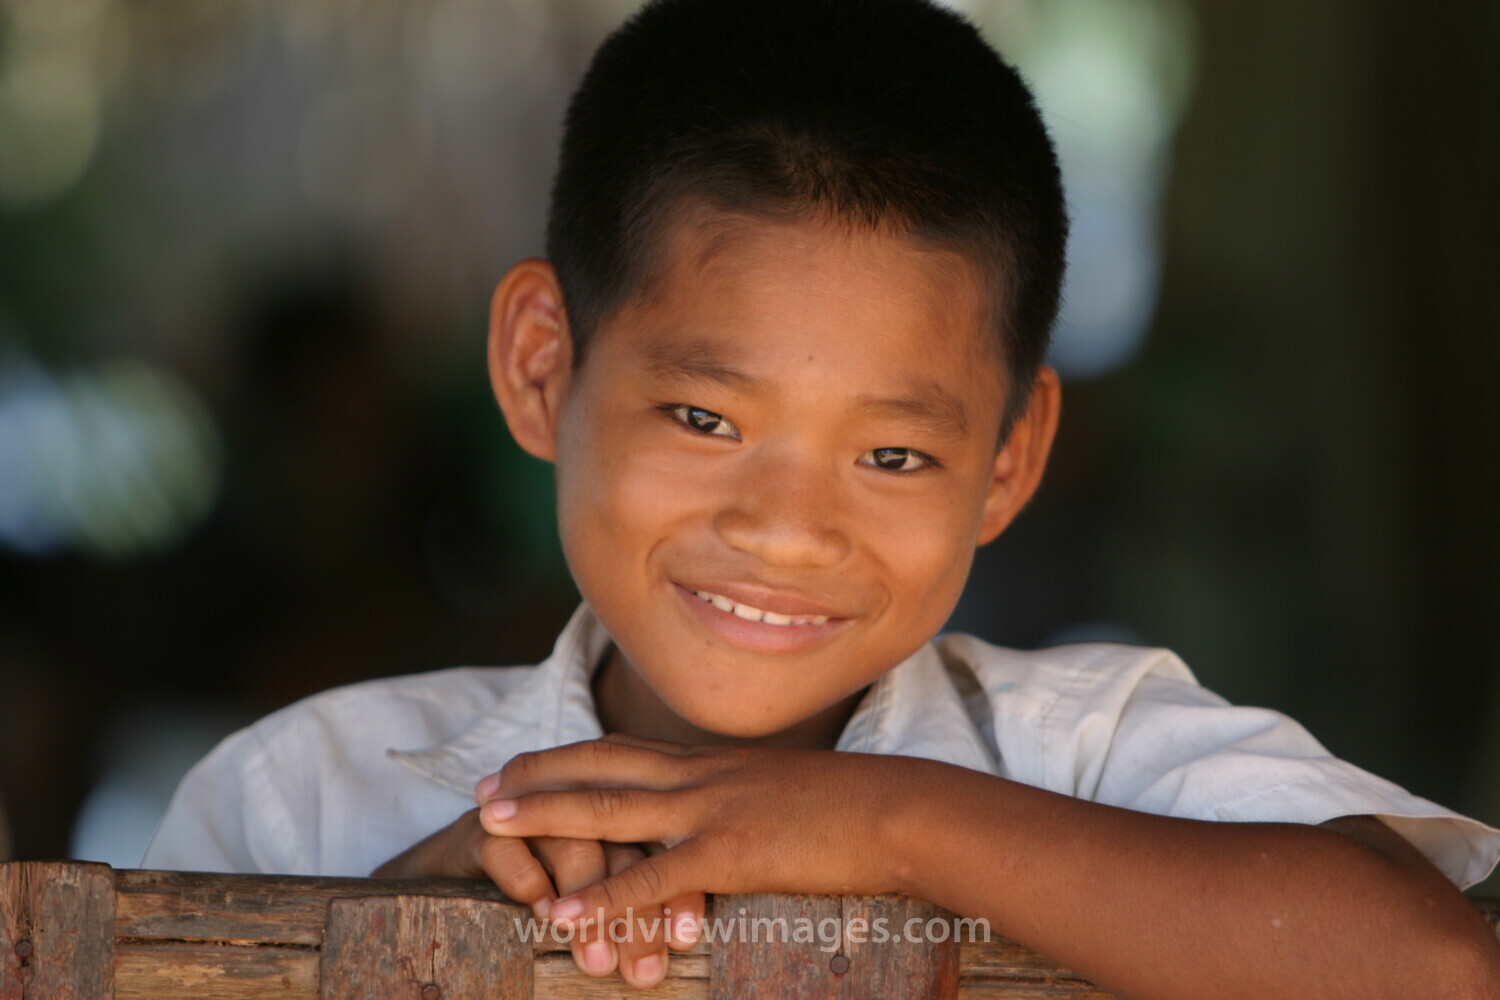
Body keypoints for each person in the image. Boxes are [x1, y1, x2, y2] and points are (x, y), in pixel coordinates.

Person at [142, 0, 1500, 995]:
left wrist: (880, 826)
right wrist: (373, 942)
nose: (788, 527)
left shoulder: (1089, 755)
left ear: (1010, 462)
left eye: (895, 456)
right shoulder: (313, 799)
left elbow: (1437, 966)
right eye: (704, 417)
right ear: (544, 366)